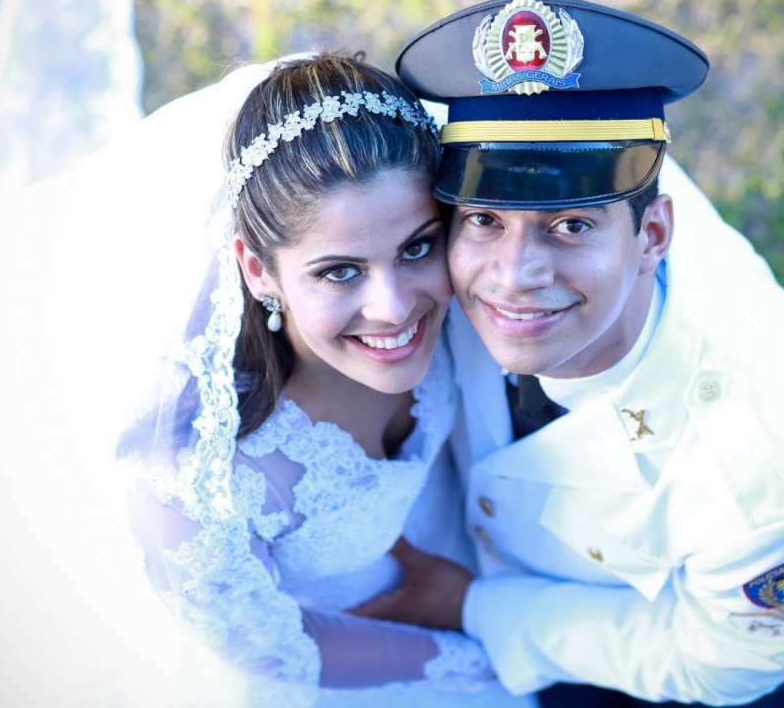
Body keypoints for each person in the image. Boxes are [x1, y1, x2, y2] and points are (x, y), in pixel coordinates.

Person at [353, 0, 784, 706]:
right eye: (484, 217)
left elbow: (713, 661)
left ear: (655, 235)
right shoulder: (439, 262)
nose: (514, 277)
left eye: (571, 226)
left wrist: (479, 609)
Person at [119, 53, 535, 707]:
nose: (395, 308)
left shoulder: (467, 297)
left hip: (475, 576)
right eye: (340, 271)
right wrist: (498, 652)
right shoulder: (197, 490)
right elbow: (273, 649)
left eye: (417, 247)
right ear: (257, 272)